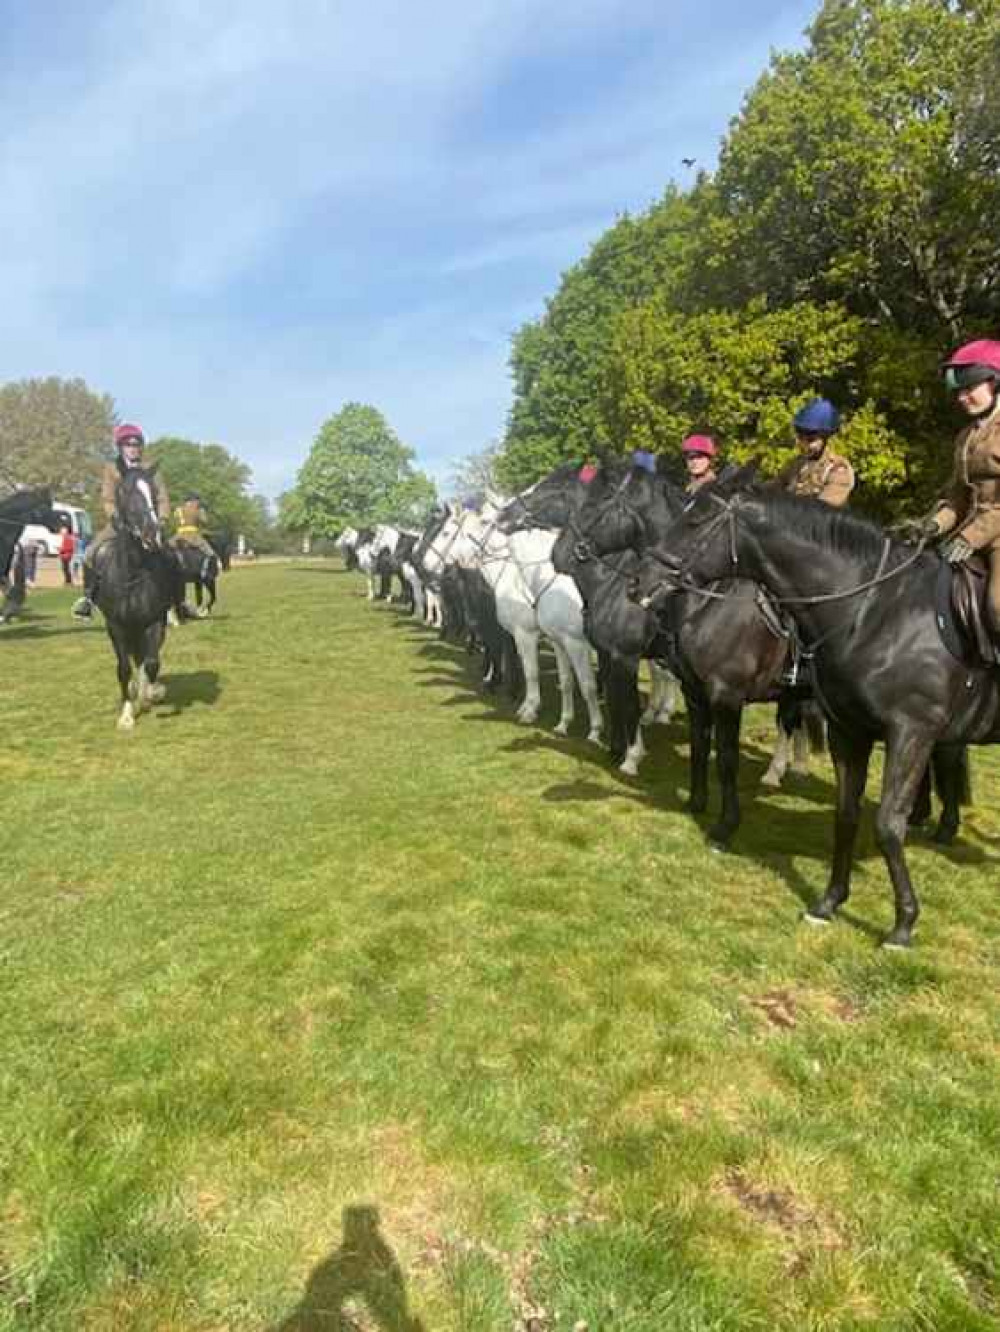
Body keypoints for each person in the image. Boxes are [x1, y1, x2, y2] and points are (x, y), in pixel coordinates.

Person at [908, 339, 1000, 660]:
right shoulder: (966, 437)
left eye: (969, 388)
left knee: (997, 604)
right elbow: (956, 497)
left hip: (994, 538)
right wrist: (931, 526)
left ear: (994, 381)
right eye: (958, 392)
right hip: (966, 537)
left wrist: (970, 537)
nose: (962, 398)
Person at [72, 423, 177, 619]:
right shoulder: (112, 469)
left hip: (149, 523)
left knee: (171, 555)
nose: (133, 448)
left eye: (136, 444)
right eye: (128, 444)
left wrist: (162, 519)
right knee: (90, 553)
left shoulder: (150, 469)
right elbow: (108, 498)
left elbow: (163, 498)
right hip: (120, 523)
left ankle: (175, 600)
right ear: (121, 447)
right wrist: (115, 517)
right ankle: (88, 599)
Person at [776, 398, 855, 508]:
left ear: (825, 438)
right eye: (800, 438)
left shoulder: (837, 469)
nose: (803, 445)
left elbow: (824, 511)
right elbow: (773, 489)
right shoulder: (796, 464)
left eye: (811, 440)